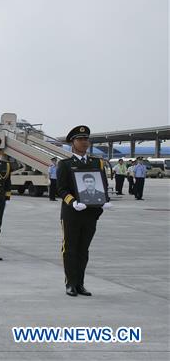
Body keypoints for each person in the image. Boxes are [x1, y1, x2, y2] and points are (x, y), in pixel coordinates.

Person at [56, 125, 112, 297]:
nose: (84, 142)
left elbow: (102, 185)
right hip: (72, 213)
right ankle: (70, 284)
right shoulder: (65, 164)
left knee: (83, 250)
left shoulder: (97, 163)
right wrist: (72, 201)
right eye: (80, 139)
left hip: (90, 213)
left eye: (86, 139)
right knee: (70, 249)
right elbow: (61, 189)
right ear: (72, 143)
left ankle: (80, 283)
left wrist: (104, 201)